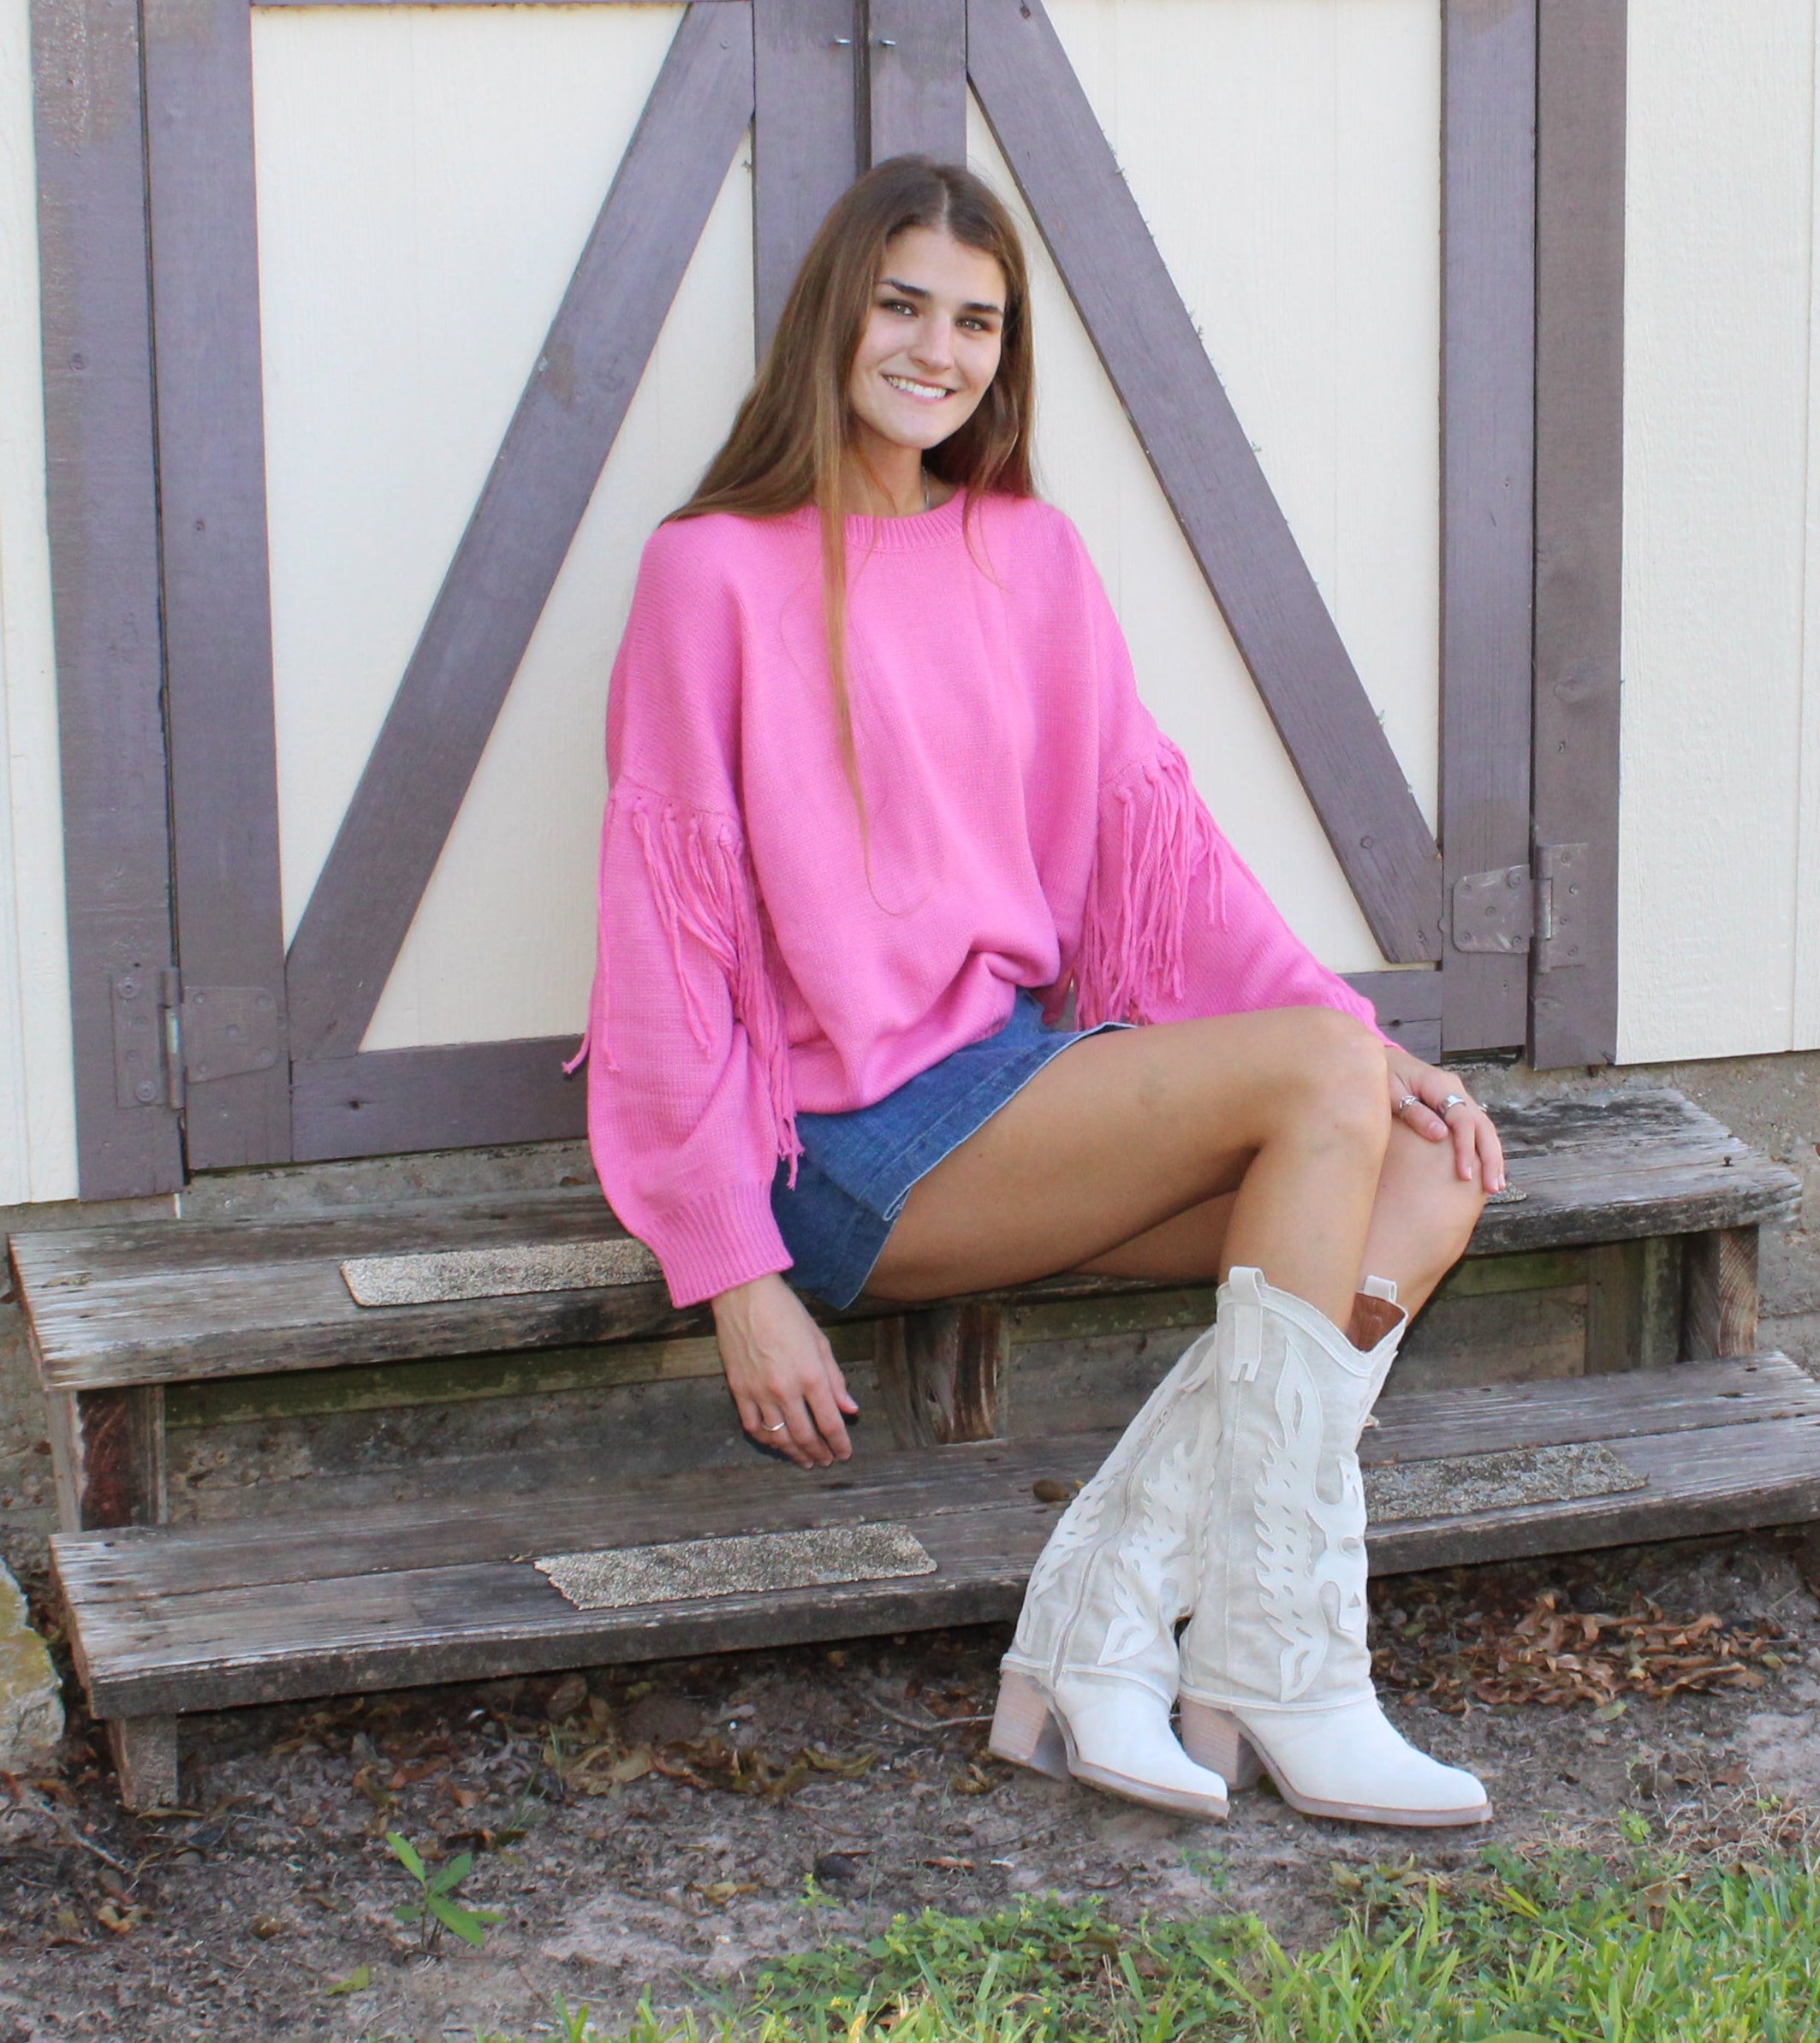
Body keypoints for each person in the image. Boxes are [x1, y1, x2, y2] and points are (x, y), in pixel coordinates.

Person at [585, 157, 1505, 1826]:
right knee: (1319, 1079)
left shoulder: (1033, 555)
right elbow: (669, 939)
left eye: (979, 322)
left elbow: (1157, 850)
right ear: (835, 317)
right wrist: (731, 1269)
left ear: (1007, 359)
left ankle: (1108, 1616)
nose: (938, 349)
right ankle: (1285, 1668)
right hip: (855, 1143)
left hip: (1016, 1086)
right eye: (904, 304)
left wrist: (1375, 1056)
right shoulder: (708, 573)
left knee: (1430, 1159)